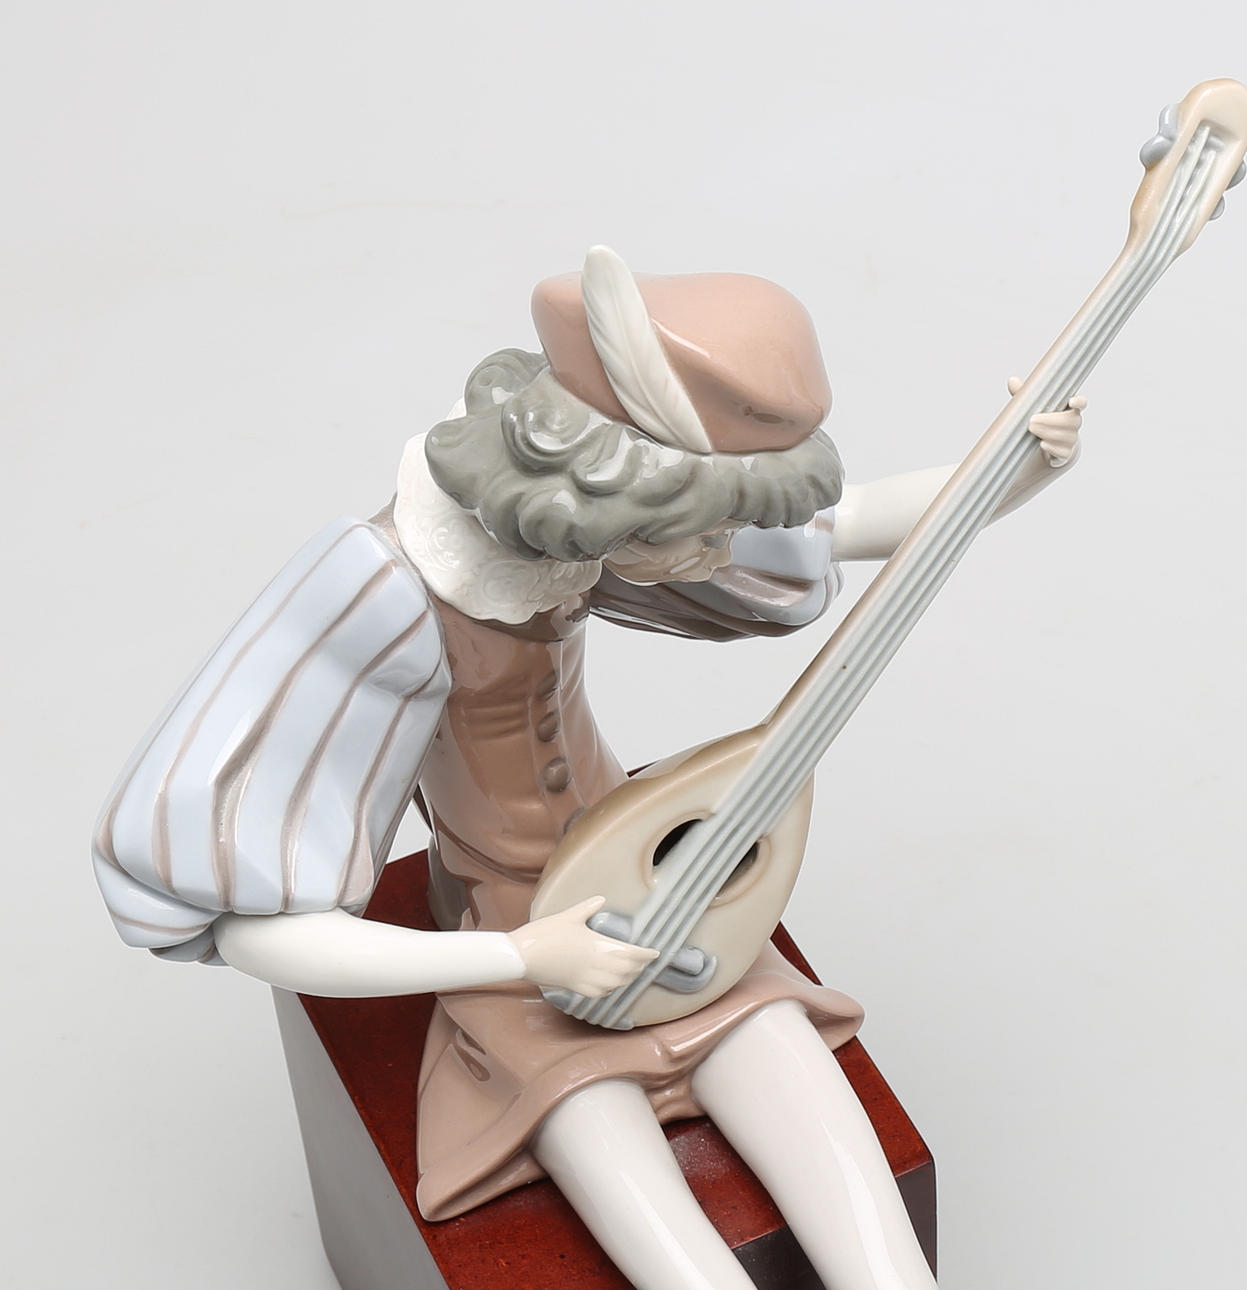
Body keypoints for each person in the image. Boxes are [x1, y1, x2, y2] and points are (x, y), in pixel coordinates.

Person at [92, 246, 1081, 1290]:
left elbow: (852, 524)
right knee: (627, 1176)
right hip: (512, 938)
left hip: (656, 876)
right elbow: (251, 929)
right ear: (614, 497)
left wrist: (1016, 467)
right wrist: (523, 958)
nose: (725, 552)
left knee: (788, 1072)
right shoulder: (381, 595)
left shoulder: (579, 544)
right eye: (708, 531)